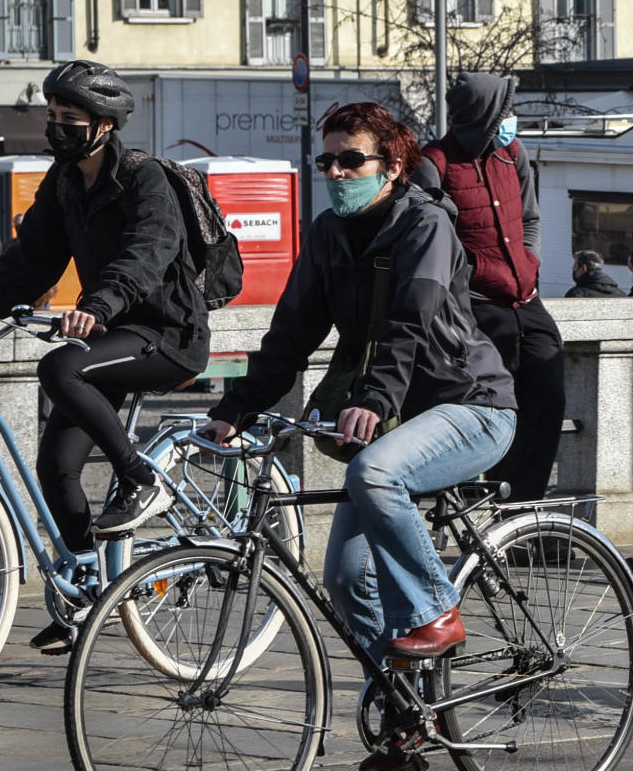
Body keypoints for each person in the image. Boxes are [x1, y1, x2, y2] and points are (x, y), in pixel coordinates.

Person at [203, 103, 515, 722]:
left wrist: (373, 399)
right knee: (346, 580)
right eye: (327, 161)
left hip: (469, 406)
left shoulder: (426, 224)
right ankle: (407, 710)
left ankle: (435, 611)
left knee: (373, 472)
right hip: (396, 422)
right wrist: (235, 409)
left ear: (393, 166)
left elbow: (410, 321)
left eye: (352, 160)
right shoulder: (328, 234)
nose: (337, 173)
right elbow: (290, 335)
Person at [0, 61, 206, 652]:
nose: (56, 127)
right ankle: (87, 595)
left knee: (59, 366)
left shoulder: (145, 180)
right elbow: (32, 258)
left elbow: (146, 254)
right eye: (51, 116)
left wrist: (98, 304)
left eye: (68, 117)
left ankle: (142, 478)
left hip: (166, 334)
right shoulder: (65, 182)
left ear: (104, 124)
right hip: (112, 336)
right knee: (56, 466)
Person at [410, 73, 560, 504]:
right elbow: (431, 239)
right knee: (491, 411)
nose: (511, 120)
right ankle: (487, 510)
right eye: (504, 112)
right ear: (485, 116)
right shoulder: (434, 163)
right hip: (475, 309)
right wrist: (471, 276)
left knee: (548, 403)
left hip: (526, 300)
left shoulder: (513, 153)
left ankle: (523, 511)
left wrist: (529, 261)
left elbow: (530, 217)